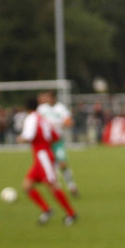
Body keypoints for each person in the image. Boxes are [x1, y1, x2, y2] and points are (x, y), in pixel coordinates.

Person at [17, 97, 77, 226]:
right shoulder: (42, 118)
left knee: (51, 185)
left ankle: (71, 213)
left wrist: (21, 139)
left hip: (42, 155)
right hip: (42, 155)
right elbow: (55, 136)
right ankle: (46, 210)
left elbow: (29, 136)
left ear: (26, 108)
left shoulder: (31, 118)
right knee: (27, 186)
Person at [37, 91, 79, 196]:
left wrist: (61, 123)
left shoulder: (61, 108)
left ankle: (71, 185)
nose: (47, 99)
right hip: (46, 142)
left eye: (49, 97)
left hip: (58, 141)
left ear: (53, 98)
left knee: (62, 164)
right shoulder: (42, 109)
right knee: (50, 166)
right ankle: (57, 189)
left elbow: (70, 122)